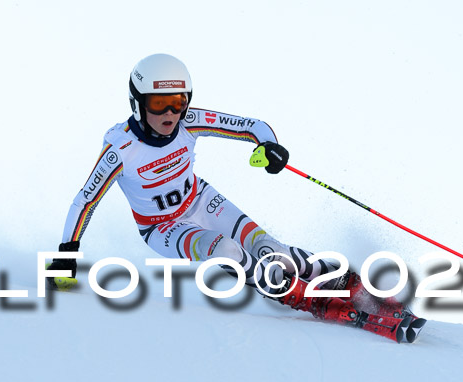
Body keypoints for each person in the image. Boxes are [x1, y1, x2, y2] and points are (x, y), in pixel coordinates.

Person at [48, 53, 424, 343]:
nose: (171, 113)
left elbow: (250, 126)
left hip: (202, 202)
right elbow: (85, 201)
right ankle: (305, 300)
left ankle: (350, 286)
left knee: (271, 249)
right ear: (137, 103)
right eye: (159, 103)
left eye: (178, 100)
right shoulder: (121, 148)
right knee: (228, 251)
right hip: (162, 227)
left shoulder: (190, 121)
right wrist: (66, 255)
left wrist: (270, 146)